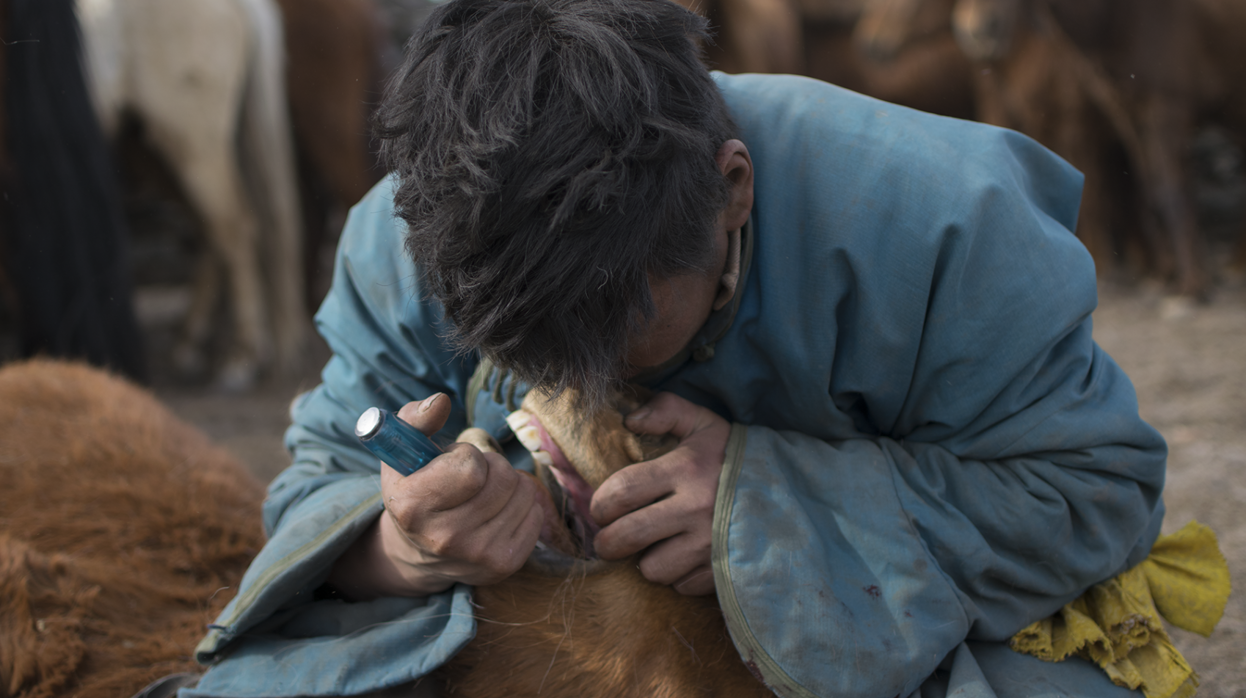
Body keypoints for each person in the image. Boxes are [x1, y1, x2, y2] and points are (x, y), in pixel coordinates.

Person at [185, 0, 1166, 695]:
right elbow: (318, 480)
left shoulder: (942, 226)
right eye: (534, 352)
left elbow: (1091, 494)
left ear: (731, 189)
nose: (581, 391)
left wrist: (770, 505)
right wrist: (399, 540)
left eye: (616, 333)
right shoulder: (410, 232)